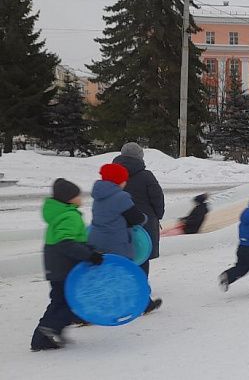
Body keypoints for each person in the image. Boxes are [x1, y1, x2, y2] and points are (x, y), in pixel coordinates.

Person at [31, 179, 104, 351]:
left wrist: (89, 249)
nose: (81, 197)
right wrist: (90, 255)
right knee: (72, 303)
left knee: (58, 301)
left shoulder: (59, 214)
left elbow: (73, 240)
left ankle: (44, 335)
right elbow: (67, 244)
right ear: (69, 199)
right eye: (77, 195)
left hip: (57, 268)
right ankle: (49, 330)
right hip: (65, 269)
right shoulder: (69, 216)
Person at [113, 142, 164, 314]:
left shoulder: (113, 174)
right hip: (144, 222)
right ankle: (141, 295)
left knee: (123, 258)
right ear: (140, 157)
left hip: (120, 222)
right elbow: (158, 198)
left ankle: (127, 292)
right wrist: (158, 215)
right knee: (142, 257)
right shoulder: (146, 176)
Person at [88, 163, 147, 259]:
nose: (126, 182)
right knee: (119, 271)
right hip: (115, 244)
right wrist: (145, 217)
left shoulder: (98, 196)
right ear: (118, 181)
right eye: (124, 180)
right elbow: (137, 218)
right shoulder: (121, 197)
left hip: (95, 242)